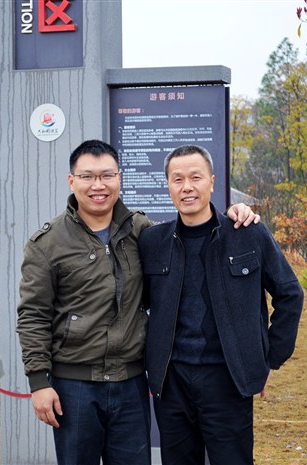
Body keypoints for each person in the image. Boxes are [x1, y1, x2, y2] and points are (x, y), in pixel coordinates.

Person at [16, 139, 259, 465]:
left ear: (119, 178)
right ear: (72, 181)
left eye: (107, 175)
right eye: (87, 177)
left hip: (130, 384)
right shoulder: (47, 243)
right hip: (74, 386)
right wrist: (38, 382)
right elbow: (33, 315)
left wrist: (230, 216)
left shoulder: (141, 232)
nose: (98, 185)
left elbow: (190, 230)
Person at [139, 145, 304, 465]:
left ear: (212, 182)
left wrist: (271, 359)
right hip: (171, 384)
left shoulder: (246, 233)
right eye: (177, 179)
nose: (187, 187)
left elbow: (290, 294)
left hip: (228, 380)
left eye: (196, 177)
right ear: (168, 185)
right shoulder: (153, 241)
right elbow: (140, 302)